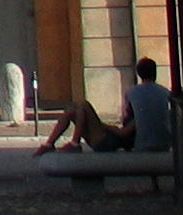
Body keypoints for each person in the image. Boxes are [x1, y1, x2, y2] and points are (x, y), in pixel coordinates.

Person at [39, 58, 172, 154]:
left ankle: (70, 143)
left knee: (82, 105)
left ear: (139, 73)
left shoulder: (134, 94)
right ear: (155, 72)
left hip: (112, 142)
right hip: (127, 140)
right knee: (72, 110)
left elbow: (123, 132)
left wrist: (103, 125)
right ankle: (52, 144)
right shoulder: (164, 92)